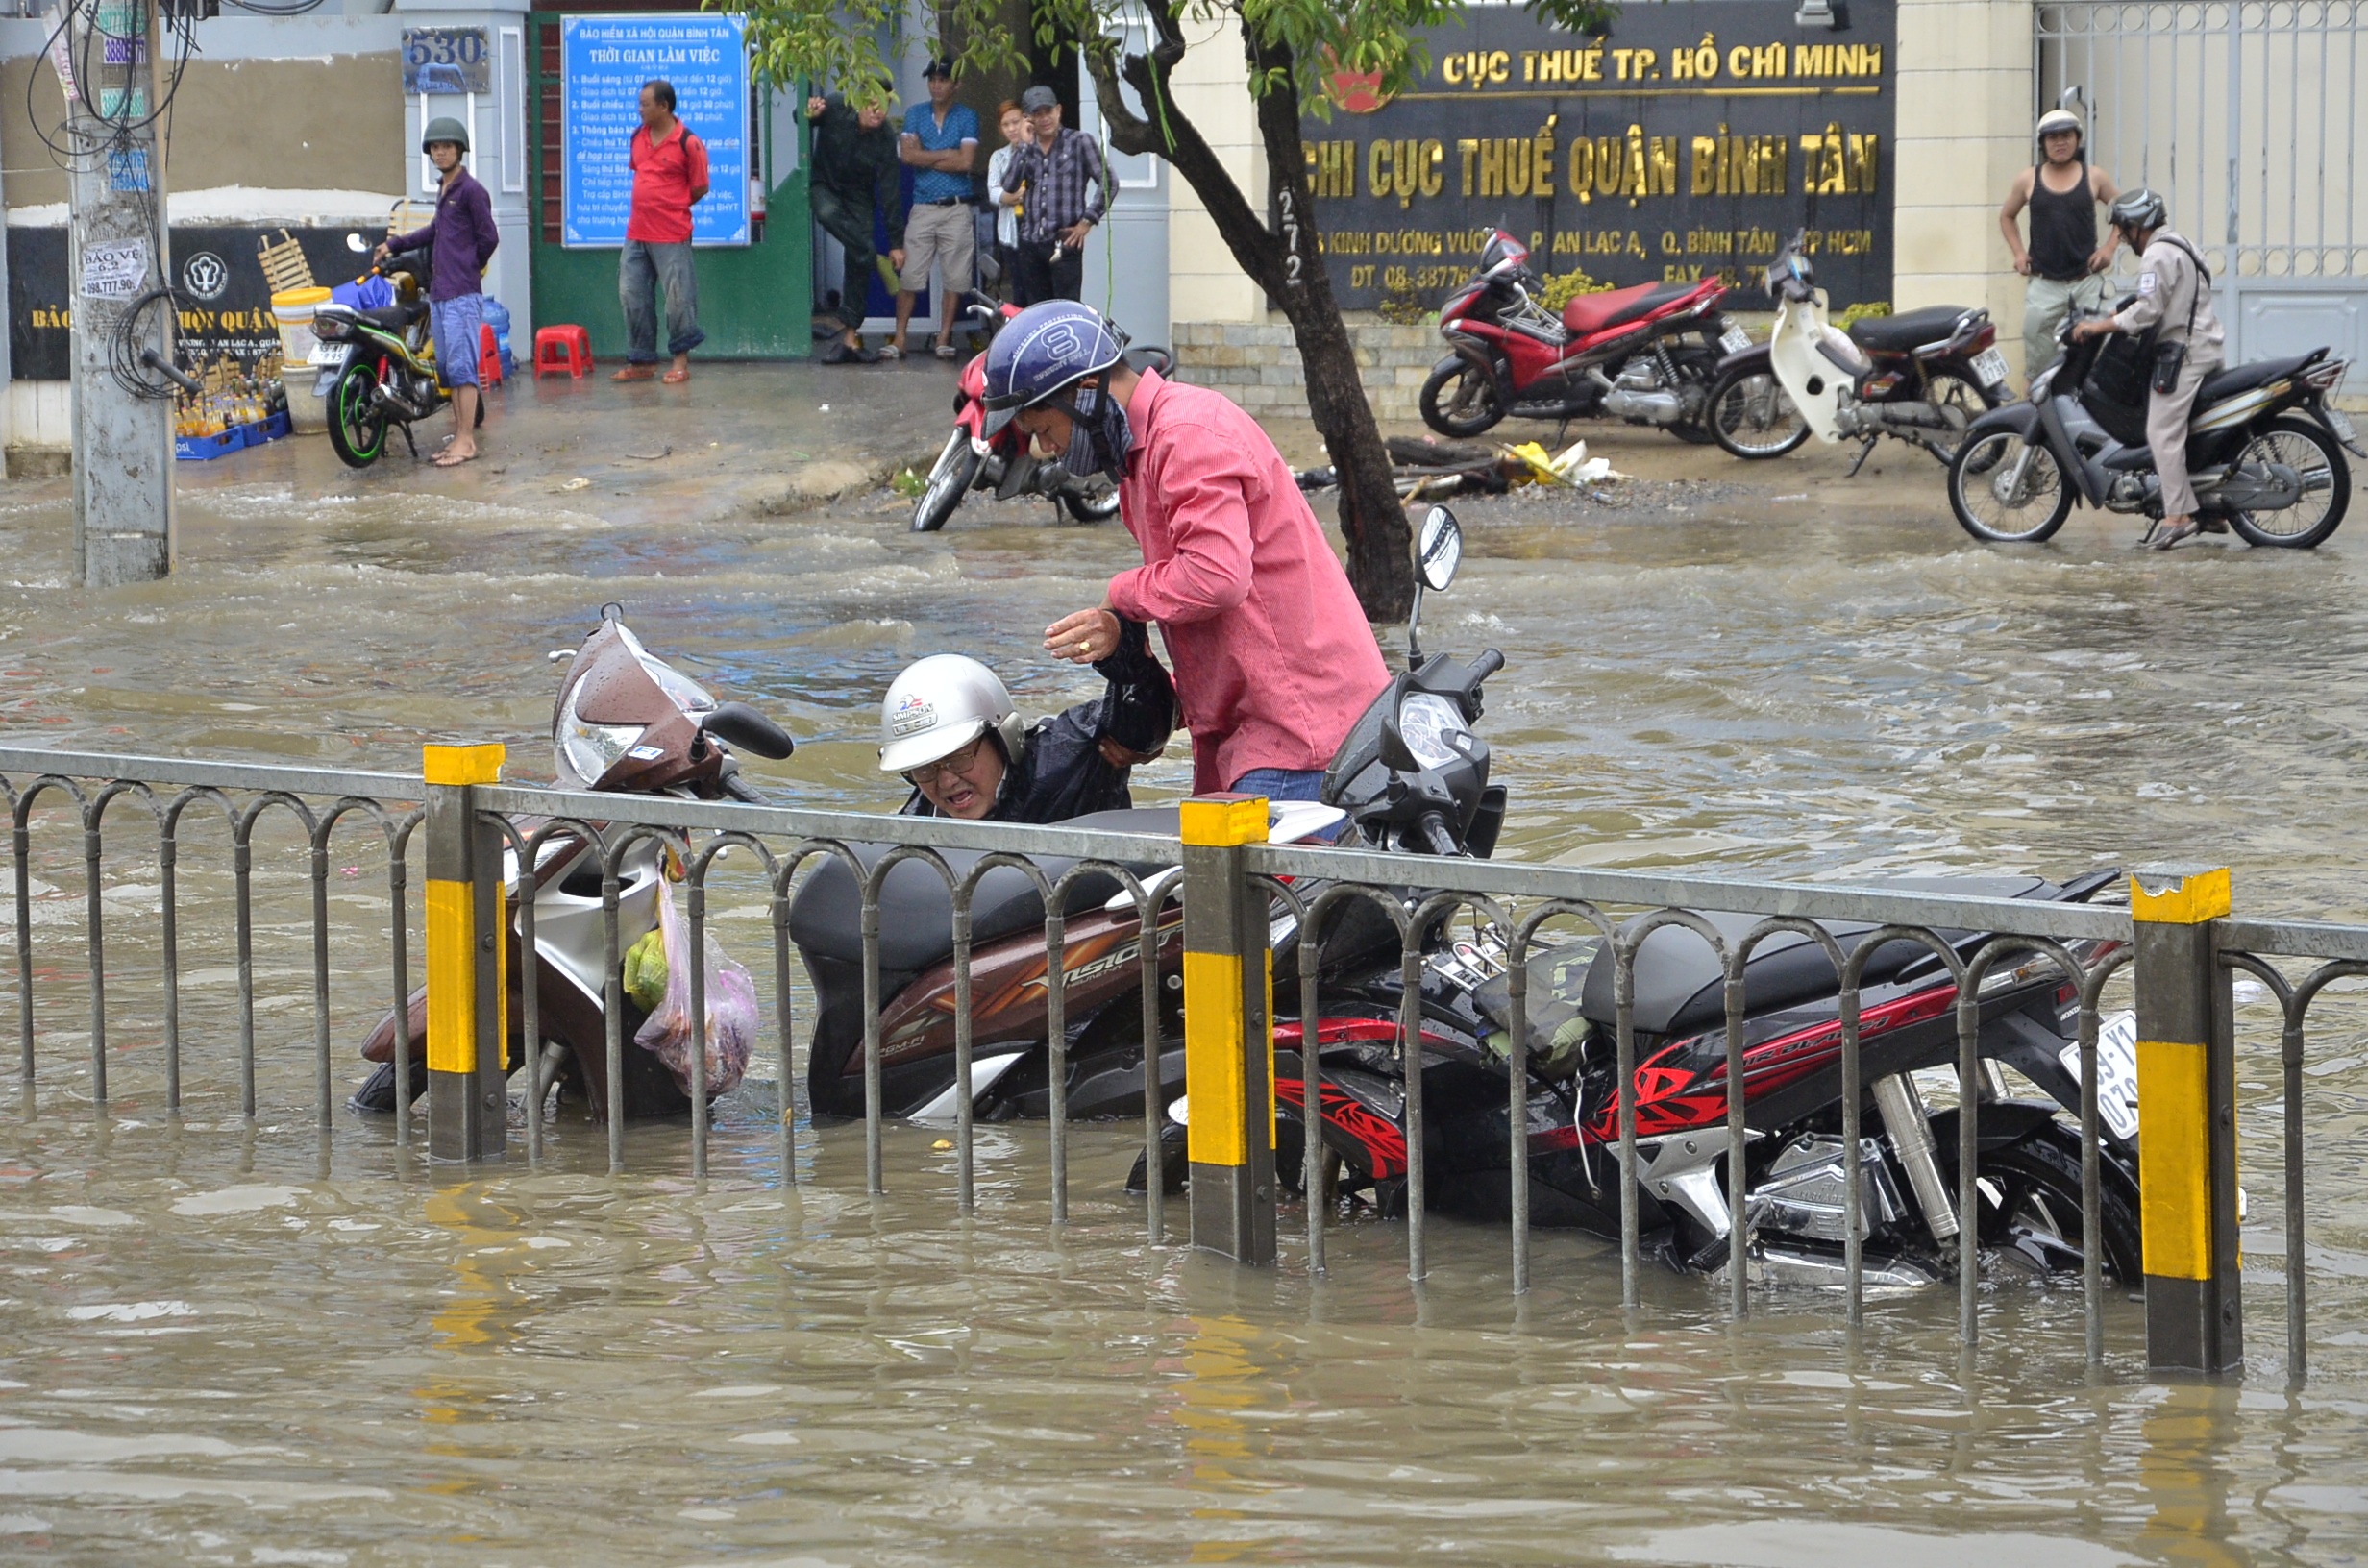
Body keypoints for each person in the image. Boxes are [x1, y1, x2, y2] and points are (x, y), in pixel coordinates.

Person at [984, 301, 1391, 803]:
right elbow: (1220, 622)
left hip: (1301, 739)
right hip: (1259, 733)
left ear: (1084, 393)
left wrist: (1119, 593)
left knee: (1255, 884)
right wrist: (1161, 716)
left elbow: (1216, 578)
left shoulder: (1185, 435)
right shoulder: (1143, 454)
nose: (1049, 448)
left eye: (1045, 429)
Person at [2069, 188, 2226, 551]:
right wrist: (2116, 313)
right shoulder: (2180, 242)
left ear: (2139, 225)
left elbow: (2146, 312)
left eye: (2125, 230)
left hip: (2183, 355)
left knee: (2161, 433)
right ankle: (2213, 509)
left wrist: (2099, 327)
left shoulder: (2156, 253)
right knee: (2201, 431)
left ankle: (2177, 517)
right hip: (2207, 346)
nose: (2123, 238)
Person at [878, 632, 1174, 822]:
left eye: (957, 759)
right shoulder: (920, 819)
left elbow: (1145, 722)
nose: (945, 782)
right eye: (925, 769)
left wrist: (1121, 649)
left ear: (1002, 738)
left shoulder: (1073, 751)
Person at [378, 115, 498, 468]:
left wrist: (467, 265)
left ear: (460, 149)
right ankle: (459, 437)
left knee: (463, 369)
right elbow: (433, 232)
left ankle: (466, 441)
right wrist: (395, 245)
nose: (440, 152)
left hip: (461, 293)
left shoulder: (472, 191)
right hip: (441, 294)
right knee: (448, 369)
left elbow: (489, 237)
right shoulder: (444, 190)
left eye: (447, 146)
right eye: (435, 147)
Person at [1999, 108, 2122, 389]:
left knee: (2097, 351)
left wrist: (2109, 249)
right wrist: (2019, 253)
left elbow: (2124, 213)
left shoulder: (2095, 177)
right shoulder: (2028, 179)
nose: (2060, 143)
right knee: (2037, 350)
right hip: (2045, 284)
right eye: (2052, 138)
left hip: (2086, 281)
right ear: (2043, 144)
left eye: (2066, 136)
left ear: (2077, 139)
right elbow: (2007, 216)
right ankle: (2036, 418)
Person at [614, 80, 709, 386]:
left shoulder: (689, 142)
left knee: (678, 299)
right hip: (637, 232)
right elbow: (640, 174)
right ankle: (641, 360)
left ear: (664, 106)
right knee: (632, 293)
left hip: (671, 234)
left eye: (645, 104)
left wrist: (672, 205)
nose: (639, 109)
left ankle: (680, 362)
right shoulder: (637, 137)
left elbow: (700, 186)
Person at [806, 82, 905, 365]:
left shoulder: (886, 137)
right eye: (872, 104)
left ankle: (849, 341)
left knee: (858, 257)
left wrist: (897, 243)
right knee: (827, 213)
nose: (878, 112)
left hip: (858, 194)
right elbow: (802, 119)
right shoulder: (837, 104)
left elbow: (890, 191)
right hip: (824, 184)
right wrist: (811, 113)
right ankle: (873, 254)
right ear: (860, 99)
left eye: (884, 107)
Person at [892, 59, 979, 361]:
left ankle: (943, 338)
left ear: (956, 84)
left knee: (955, 277)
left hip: (956, 206)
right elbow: (907, 157)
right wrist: (945, 153)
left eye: (943, 79)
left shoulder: (967, 116)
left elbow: (966, 162)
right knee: (910, 275)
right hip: (924, 205)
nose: (937, 84)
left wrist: (924, 155)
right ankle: (899, 338)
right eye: (933, 79)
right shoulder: (915, 113)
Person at [999, 86, 1109, 306]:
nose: (1044, 118)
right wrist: (1023, 146)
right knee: (1037, 313)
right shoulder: (1026, 149)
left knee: (1065, 311)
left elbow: (1108, 183)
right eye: (1037, 114)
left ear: (1058, 110)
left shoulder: (1079, 142)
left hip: (1064, 241)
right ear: (1028, 119)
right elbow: (1009, 187)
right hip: (1031, 243)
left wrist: (1087, 222)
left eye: (1048, 111)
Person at [984, 101, 1028, 300]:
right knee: (1018, 287)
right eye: (1005, 124)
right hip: (1009, 231)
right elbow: (993, 191)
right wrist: (1010, 197)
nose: (1011, 129)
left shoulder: (1039, 150)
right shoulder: (998, 157)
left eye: (1015, 122)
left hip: (1037, 233)